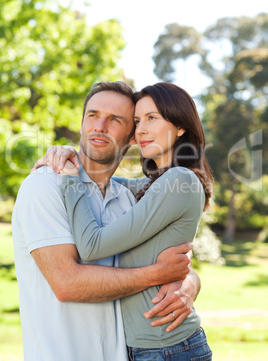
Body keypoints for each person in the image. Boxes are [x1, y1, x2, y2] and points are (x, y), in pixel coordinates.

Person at [12, 81, 200, 361]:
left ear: (132, 136)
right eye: (92, 115)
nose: (100, 126)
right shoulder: (45, 186)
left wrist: (190, 282)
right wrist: (160, 274)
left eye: (116, 120)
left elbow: (169, 254)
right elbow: (67, 284)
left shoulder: (127, 197)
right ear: (81, 123)